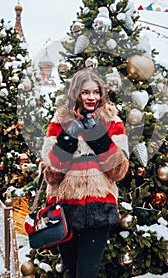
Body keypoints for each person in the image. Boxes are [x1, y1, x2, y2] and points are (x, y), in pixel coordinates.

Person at [41, 68, 129, 278]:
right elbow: (51, 175)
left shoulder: (113, 122)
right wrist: (67, 140)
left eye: (96, 92)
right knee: (71, 272)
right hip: (64, 209)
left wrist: (99, 138)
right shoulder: (59, 121)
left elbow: (119, 171)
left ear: (102, 94)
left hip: (100, 209)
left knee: (86, 273)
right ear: (76, 94)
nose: (92, 97)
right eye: (86, 92)